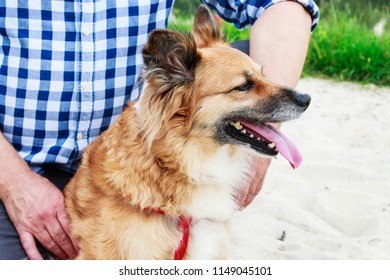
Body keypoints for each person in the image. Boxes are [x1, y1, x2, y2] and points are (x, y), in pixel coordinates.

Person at [0, 0, 319, 260]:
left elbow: (286, 5)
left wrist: (265, 129)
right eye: (246, 86)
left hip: (145, 148)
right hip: (18, 166)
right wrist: (14, 183)